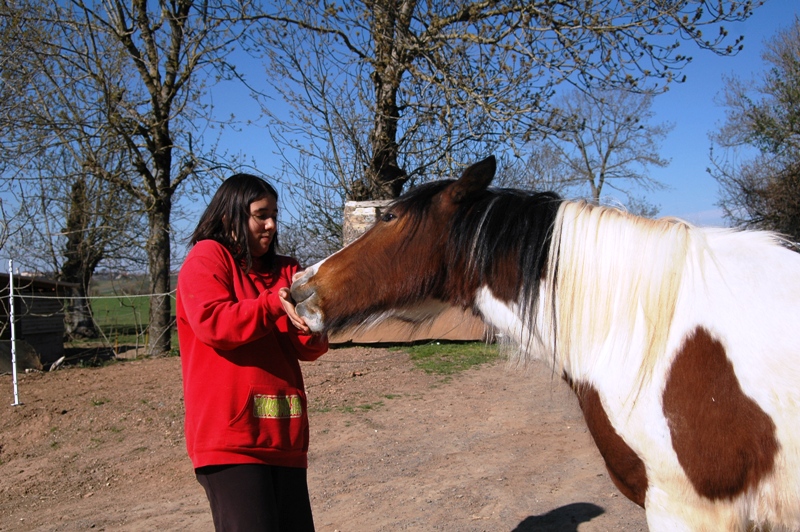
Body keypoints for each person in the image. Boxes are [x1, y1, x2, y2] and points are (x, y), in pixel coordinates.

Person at [176, 173, 328, 531]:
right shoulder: (207, 257)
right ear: (230, 217)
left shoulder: (286, 269)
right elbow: (214, 324)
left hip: (285, 437)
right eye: (261, 214)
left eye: (275, 214)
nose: (272, 224)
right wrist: (273, 305)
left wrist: (314, 328)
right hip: (230, 440)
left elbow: (308, 350)